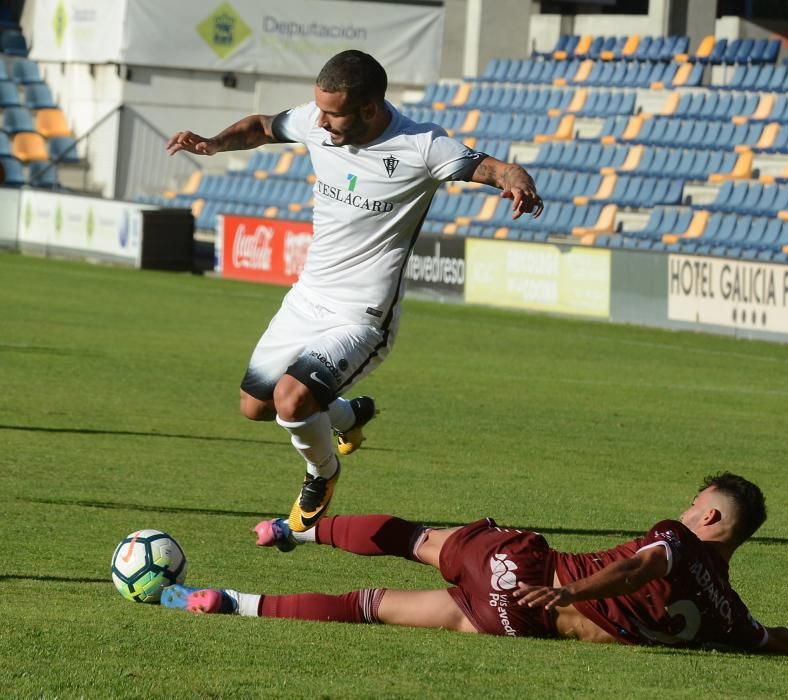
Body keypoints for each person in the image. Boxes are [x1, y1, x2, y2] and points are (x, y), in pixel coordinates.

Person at [165, 51, 544, 534]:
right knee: (254, 408)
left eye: (333, 113)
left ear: (369, 109)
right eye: (318, 109)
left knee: (292, 400)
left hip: (360, 316)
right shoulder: (316, 121)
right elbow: (262, 126)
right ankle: (347, 414)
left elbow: (489, 167)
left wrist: (516, 179)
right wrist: (215, 144)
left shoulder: (420, 146)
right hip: (306, 299)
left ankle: (323, 473)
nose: (320, 121)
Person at [162, 473, 788, 655]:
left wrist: (572, 588)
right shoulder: (728, 616)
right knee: (371, 608)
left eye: (695, 500)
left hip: (525, 571)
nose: (686, 506)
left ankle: (293, 531)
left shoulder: (679, 541)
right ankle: (234, 603)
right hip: (515, 625)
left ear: (709, 518)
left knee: (413, 538)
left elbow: (643, 567)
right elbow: (775, 642)